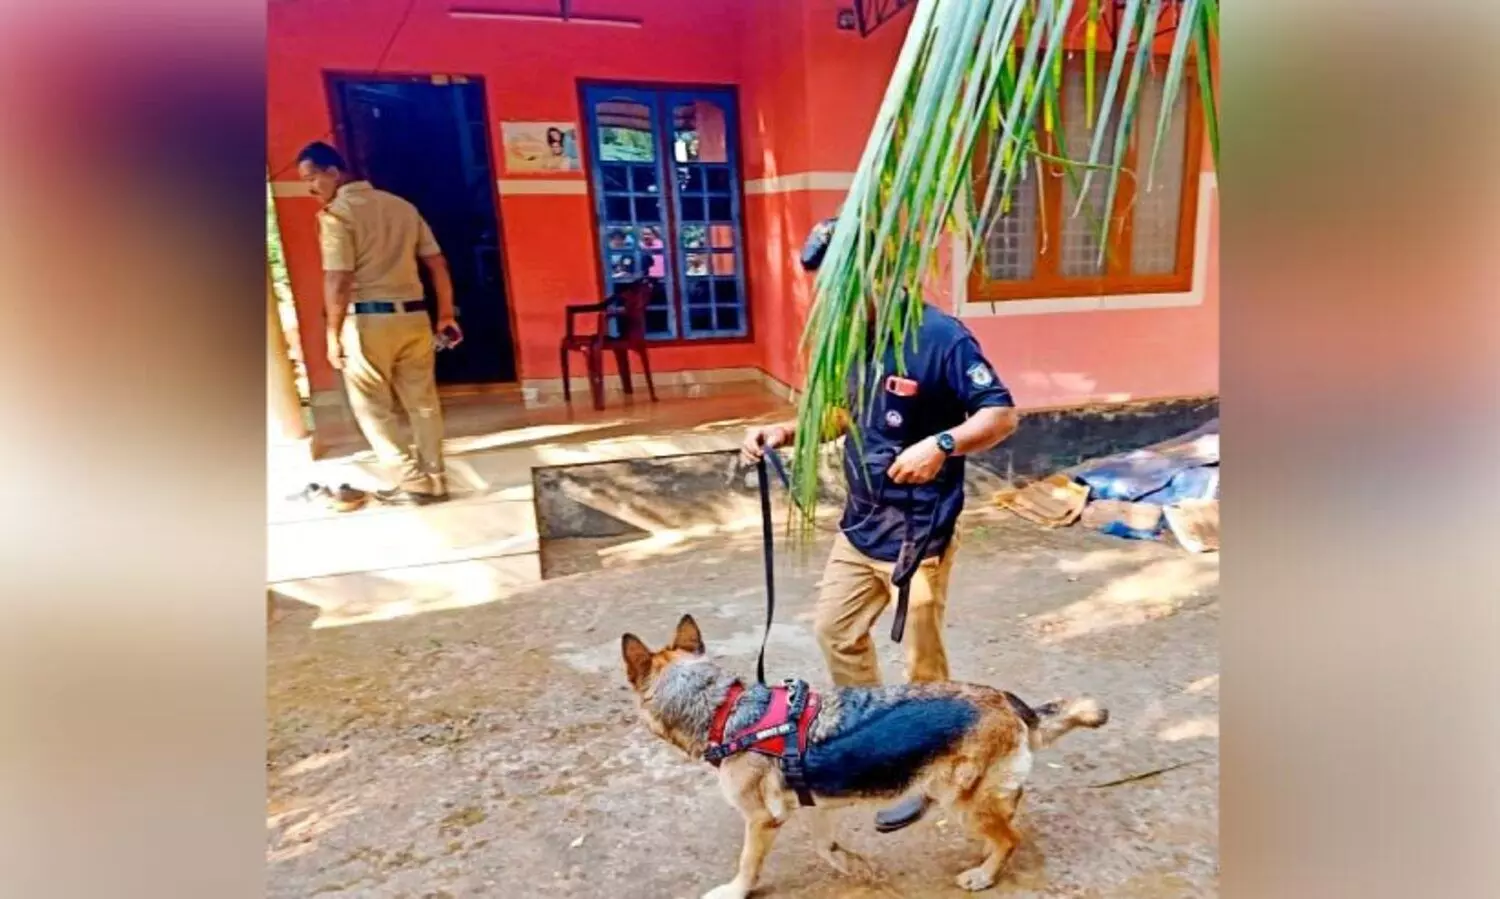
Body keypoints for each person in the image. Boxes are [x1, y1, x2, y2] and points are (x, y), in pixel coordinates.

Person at [740, 216, 1019, 834]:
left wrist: (942, 443)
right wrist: (786, 430)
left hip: (918, 533)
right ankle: (873, 741)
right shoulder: (848, 339)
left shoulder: (940, 336)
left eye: (838, 285)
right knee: (834, 632)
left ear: (872, 271)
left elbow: (1001, 415)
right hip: (862, 521)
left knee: (923, 664)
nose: (827, 300)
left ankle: (927, 762)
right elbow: (842, 411)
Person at [297, 141, 461, 505]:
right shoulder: (402, 207)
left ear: (333, 172)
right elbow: (437, 263)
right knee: (423, 404)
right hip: (415, 319)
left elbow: (337, 279)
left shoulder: (337, 215)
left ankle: (412, 481)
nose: (311, 188)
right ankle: (436, 478)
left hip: (368, 322)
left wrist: (332, 334)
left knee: (373, 408)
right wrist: (446, 314)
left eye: (312, 179)